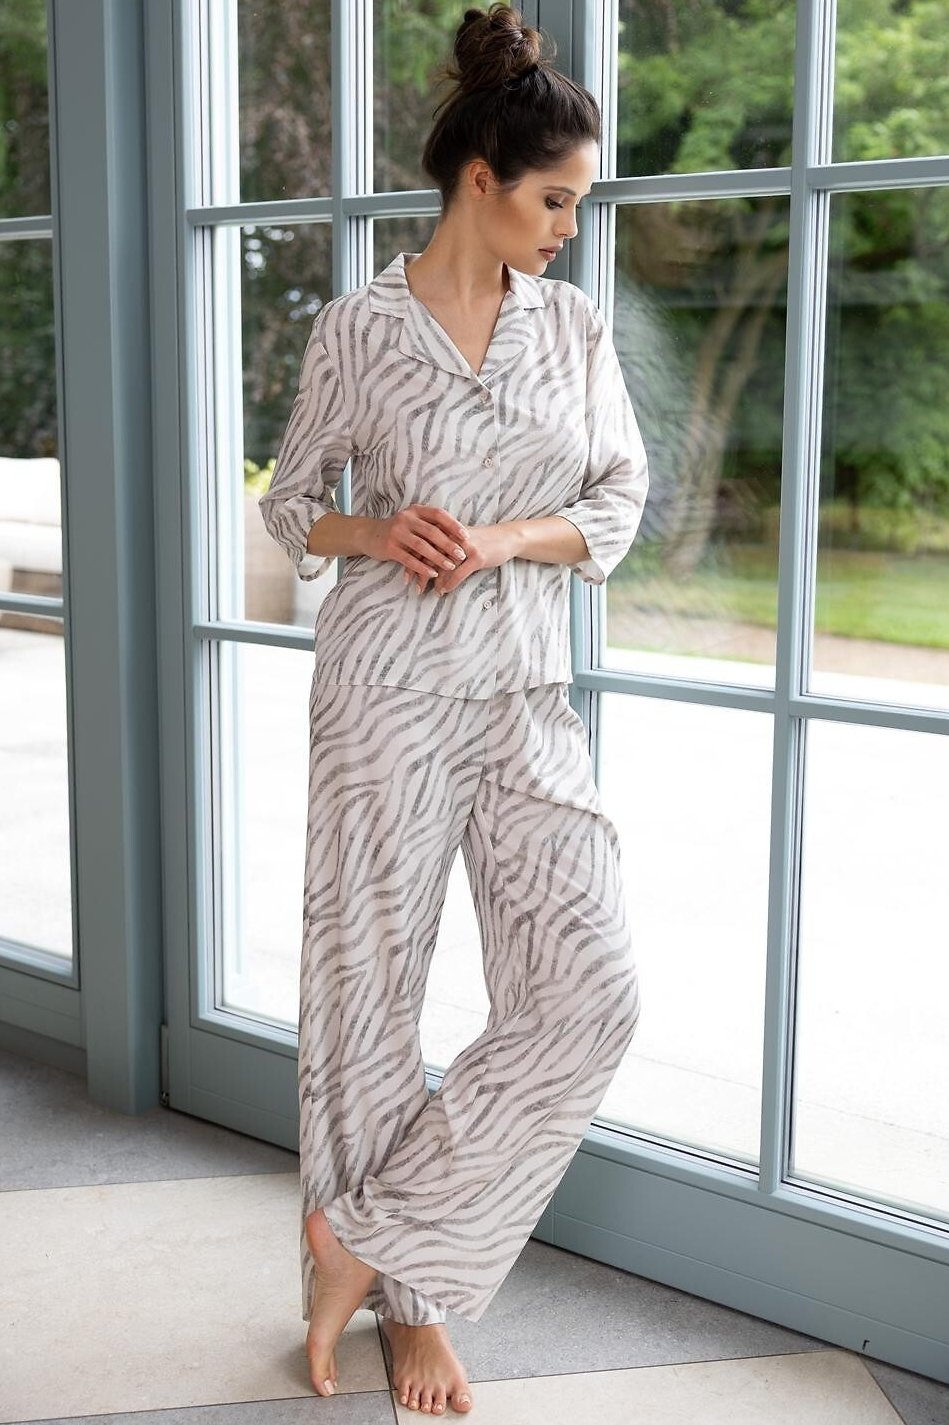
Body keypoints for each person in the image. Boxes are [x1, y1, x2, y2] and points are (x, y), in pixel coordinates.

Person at [258, 3, 649, 1414]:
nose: (569, 229)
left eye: (580, 204)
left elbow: (616, 498)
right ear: (481, 181)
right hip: (383, 692)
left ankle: (367, 1235)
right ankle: (406, 1311)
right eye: (555, 201)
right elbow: (291, 502)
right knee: (366, 989)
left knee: (590, 991)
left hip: (524, 693)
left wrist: (500, 538)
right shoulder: (358, 330)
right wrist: (379, 531)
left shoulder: (573, 327)